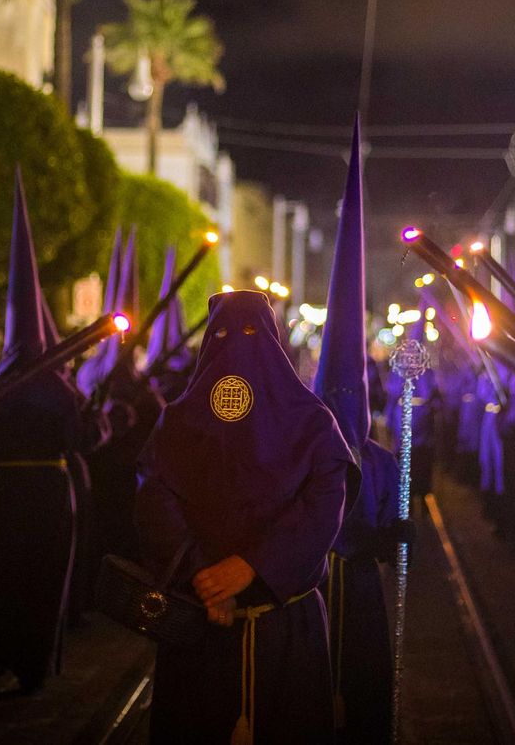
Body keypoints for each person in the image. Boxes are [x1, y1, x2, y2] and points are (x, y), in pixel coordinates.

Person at [136, 290, 356, 744]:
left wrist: (253, 566)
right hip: (202, 624)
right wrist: (204, 577)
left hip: (284, 627)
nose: (237, 345)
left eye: (251, 333)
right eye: (223, 335)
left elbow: (323, 510)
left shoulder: (312, 423)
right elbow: (154, 499)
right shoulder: (178, 421)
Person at [0, 176, 91, 694]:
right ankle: (30, 667)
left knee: (0, 584)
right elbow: (81, 439)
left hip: (4, 499)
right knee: (36, 584)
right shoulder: (61, 391)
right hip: (45, 498)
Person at [312, 121, 403, 742]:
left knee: (365, 686)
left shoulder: (380, 459)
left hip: (363, 591)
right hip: (311, 589)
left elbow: (392, 520)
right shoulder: (304, 453)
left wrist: (397, 530)